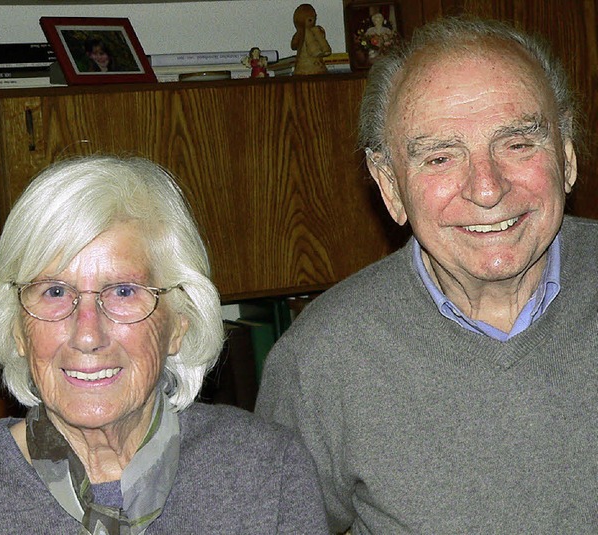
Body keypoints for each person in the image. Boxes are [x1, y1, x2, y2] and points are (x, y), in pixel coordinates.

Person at [256, 16, 598, 534]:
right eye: (440, 157)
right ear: (389, 186)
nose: (486, 188)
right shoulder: (321, 360)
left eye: (518, 144)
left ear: (567, 155)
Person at [0, 155, 328, 534]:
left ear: (179, 322)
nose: (88, 335)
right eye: (54, 291)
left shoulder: (267, 471)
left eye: (123, 291)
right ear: (18, 328)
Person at [291, 3, 332, 75]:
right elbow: (294, 45)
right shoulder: (301, 34)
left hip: (317, 65)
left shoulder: (316, 31)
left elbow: (322, 41)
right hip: (304, 66)